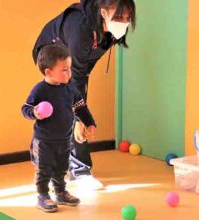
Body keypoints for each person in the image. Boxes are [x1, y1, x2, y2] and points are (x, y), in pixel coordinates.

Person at [32, 0, 136, 189]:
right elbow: (76, 75)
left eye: (128, 18)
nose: (124, 22)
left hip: (76, 64)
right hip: (51, 52)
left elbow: (86, 65)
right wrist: (81, 118)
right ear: (103, 12)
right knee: (69, 107)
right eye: (119, 17)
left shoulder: (112, 30)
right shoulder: (81, 26)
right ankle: (79, 172)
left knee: (72, 104)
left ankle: (61, 161)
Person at [22, 44, 96, 212]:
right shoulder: (40, 90)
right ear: (48, 72)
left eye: (70, 68)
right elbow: (25, 109)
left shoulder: (70, 88)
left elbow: (81, 107)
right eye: (64, 70)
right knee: (44, 169)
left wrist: (89, 123)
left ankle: (61, 192)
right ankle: (42, 195)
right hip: (44, 141)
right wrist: (34, 112)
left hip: (64, 139)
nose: (69, 73)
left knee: (62, 167)